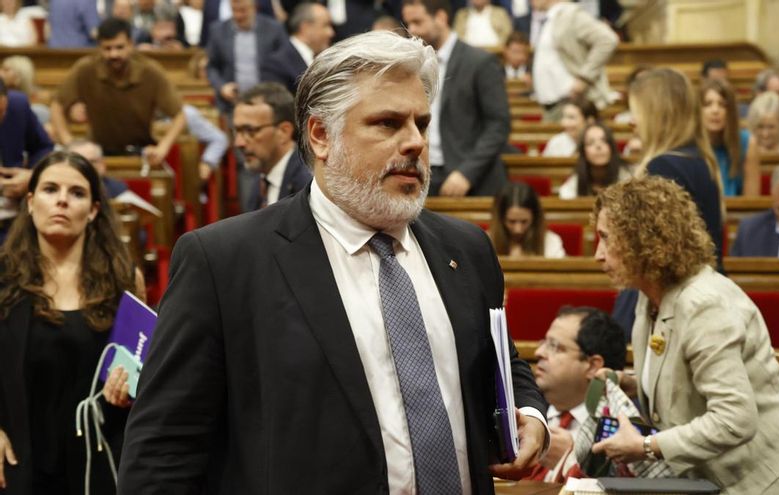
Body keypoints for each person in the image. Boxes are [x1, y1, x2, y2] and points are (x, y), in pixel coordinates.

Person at [117, 30, 549, 493]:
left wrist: (530, 414)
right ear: (321, 135)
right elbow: (162, 450)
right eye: (387, 123)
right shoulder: (225, 262)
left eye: (421, 124)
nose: (415, 144)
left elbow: (500, 364)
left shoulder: (466, 250)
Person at [588, 176, 779, 494]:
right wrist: (635, 381)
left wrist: (647, 445)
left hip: (766, 480)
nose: (598, 254)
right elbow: (684, 376)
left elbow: (734, 418)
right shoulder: (650, 294)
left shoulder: (704, 304)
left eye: (606, 238)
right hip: (714, 478)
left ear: (643, 239)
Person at [0, 151, 145, 494]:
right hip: (18, 453)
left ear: (94, 210)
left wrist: (130, 390)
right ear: (31, 202)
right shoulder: (2, 277)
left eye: (77, 193)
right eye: (50, 190)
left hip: (99, 452)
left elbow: (143, 368)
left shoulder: (125, 280)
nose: (62, 201)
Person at [611, 67, 724, 339]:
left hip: (669, 310)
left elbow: (653, 260)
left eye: (636, 112)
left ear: (657, 114)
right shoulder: (699, 161)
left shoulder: (664, 166)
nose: (631, 122)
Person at [402, 0, 511, 197]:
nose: (412, 30)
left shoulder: (480, 62)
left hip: (470, 178)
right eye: (408, 23)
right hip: (423, 173)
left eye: (418, 22)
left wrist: (466, 173)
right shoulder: (411, 65)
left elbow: (498, 125)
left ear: (441, 18)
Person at [50, 17, 188, 169]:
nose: (113, 54)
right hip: (98, 155)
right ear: (99, 47)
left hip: (140, 154)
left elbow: (180, 116)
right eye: (107, 48)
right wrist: (69, 143)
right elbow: (57, 105)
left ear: (131, 44)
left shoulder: (150, 71)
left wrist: (163, 147)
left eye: (119, 47)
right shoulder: (85, 69)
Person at [524, 306, 625, 483]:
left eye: (555, 347)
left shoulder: (619, 431)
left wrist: (573, 462)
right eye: (544, 343)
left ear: (593, 366)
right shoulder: (526, 415)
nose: (538, 352)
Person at [205, 0, 303, 113]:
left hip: (268, 102)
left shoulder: (274, 29)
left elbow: (286, 61)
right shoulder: (218, 31)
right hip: (232, 104)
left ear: (254, 8)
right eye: (234, 10)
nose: (238, 15)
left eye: (243, 10)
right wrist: (221, 87)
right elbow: (211, 66)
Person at [529, 0, 619, 117]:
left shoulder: (571, 15)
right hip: (554, 106)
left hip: (572, 105)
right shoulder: (552, 18)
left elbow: (608, 40)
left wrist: (584, 78)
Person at [232, 82, 311, 211]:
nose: (239, 143)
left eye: (250, 131)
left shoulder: (308, 184)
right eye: (237, 131)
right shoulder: (260, 179)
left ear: (284, 132)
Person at [0, 79, 54, 243]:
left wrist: (33, 175)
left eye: (2, 112)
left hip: (17, 216)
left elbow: (43, 147)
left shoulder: (18, 105)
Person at [700, 78, 757, 196]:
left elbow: (751, 202)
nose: (715, 111)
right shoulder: (689, 144)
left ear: (730, 111)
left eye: (722, 105)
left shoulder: (747, 143)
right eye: (707, 104)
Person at [490, 181, 566, 258]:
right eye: (511, 221)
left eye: (524, 221)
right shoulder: (486, 242)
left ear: (534, 217)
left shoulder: (551, 242)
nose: (518, 230)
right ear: (500, 219)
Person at [559, 122, 626, 199]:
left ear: (611, 147)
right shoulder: (574, 184)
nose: (598, 146)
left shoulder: (627, 178)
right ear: (583, 152)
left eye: (604, 140)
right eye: (590, 143)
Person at [287, 2, 335, 69]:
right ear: (306, 28)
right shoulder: (278, 64)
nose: (331, 33)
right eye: (325, 25)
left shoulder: (317, 58)